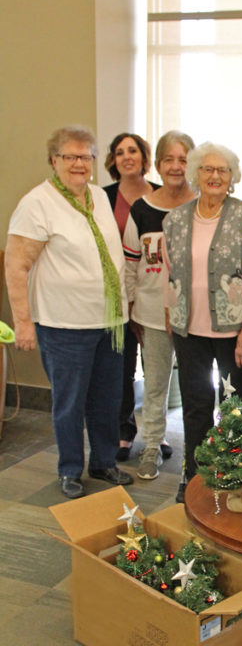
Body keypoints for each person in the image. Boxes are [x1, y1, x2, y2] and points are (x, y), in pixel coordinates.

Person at [5, 125, 133, 498]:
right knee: (70, 403)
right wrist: (23, 323)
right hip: (63, 325)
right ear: (54, 160)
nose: (79, 163)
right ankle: (70, 469)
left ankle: (104, 462)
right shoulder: (38, 203)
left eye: (86, 156)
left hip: (110, 322)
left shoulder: (99, 196)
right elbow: (16, 265)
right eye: (70, 156)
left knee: (107, 399)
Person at [163, 142, 242, 502]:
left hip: (234, 332)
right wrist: (170, 315)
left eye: (223, 170)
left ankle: (237, 477)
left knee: (236, 408)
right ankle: (195, 476)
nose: (215, 176)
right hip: (188, 330)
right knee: (195, 405)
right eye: (207, 169)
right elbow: (169, 273)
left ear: (232, 177)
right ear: (196, 173)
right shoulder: (175, 220)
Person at [123, 131, 196, 480]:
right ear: (158, 164)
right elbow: (129, 264)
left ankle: (199, 452)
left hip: (195, 316)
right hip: (151, 313)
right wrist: (131, 306)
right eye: (169, 159)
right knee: (155, 385)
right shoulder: (142, 209)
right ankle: (152, 445)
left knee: (197, 387)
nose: (176, 166)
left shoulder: (202, 206)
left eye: (183, 160)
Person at [103, 132, 160, 463]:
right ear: (113, 160)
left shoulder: (160, 195)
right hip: (115, 295)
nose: (127, 157)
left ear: (143, 157)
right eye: (120, 152)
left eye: (133, 151)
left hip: (153, 293)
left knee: (155, 370)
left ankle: (156, 436)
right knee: (122, 367)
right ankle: (123, 431)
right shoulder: (102, 197)